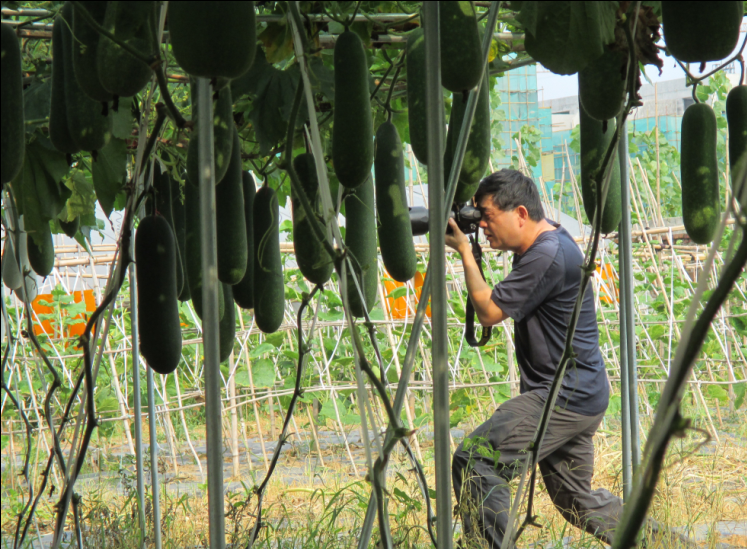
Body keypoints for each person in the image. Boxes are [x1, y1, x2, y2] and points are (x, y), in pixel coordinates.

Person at [444, 169, 695, 548]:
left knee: (476, 460)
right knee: (576, 500)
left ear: (521, 214)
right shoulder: (549, 241)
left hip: (563, 395)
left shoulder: (547, 255)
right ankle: (670, 545)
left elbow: (489, 312)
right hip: (581, 393)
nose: (483, 226)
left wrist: (465, 250)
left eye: (488, 217)